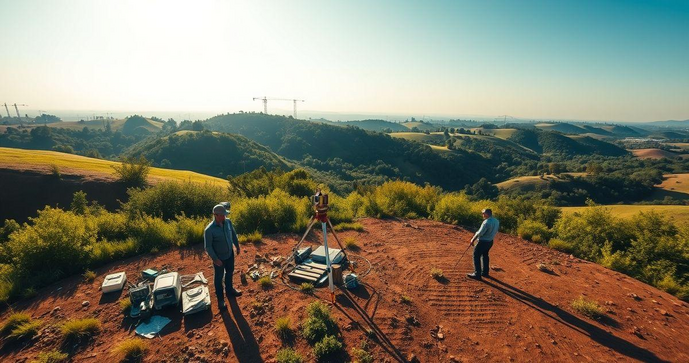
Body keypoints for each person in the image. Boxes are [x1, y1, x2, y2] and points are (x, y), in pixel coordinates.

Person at [204, 203, 242, 308]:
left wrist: (237, 246)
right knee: (218, 278)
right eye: (223, 215)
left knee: (230, 272)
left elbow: (233, 234)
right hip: (219, 259)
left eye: (225, 214)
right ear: (216, 215)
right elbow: (208, 247)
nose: (225, 216)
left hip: (230, 254)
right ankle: (221, 300)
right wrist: (215, 259)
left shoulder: (228, 222)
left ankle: (230, 290)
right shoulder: (209, 230)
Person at [467, 208, 499, 280]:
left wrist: (472, 240)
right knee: (485, 255)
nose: (482, 215)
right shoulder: (496, 221)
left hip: (482, 242)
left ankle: (477, 274)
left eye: (483, 213)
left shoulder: (486, 222)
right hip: (490, 242)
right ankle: (485, 272)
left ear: (487, 214)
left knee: (476, 256)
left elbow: (480, 233)